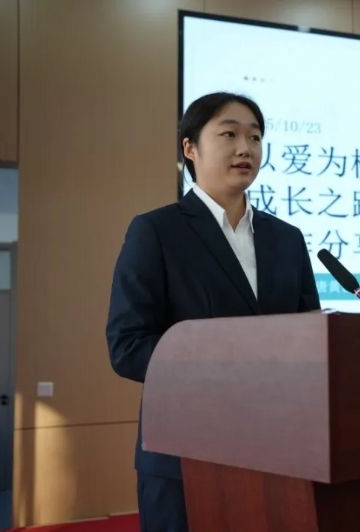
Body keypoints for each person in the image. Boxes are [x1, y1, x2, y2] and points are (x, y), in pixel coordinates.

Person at [106, 92, 320, 531]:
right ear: (190, 148)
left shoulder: (287, 239)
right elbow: (127, 346)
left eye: (255, 137)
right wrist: (224, 368)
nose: (246, 148)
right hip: (186, 457)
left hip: (277, 452)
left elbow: (312, 338)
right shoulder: (157, 231)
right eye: (229, 134)